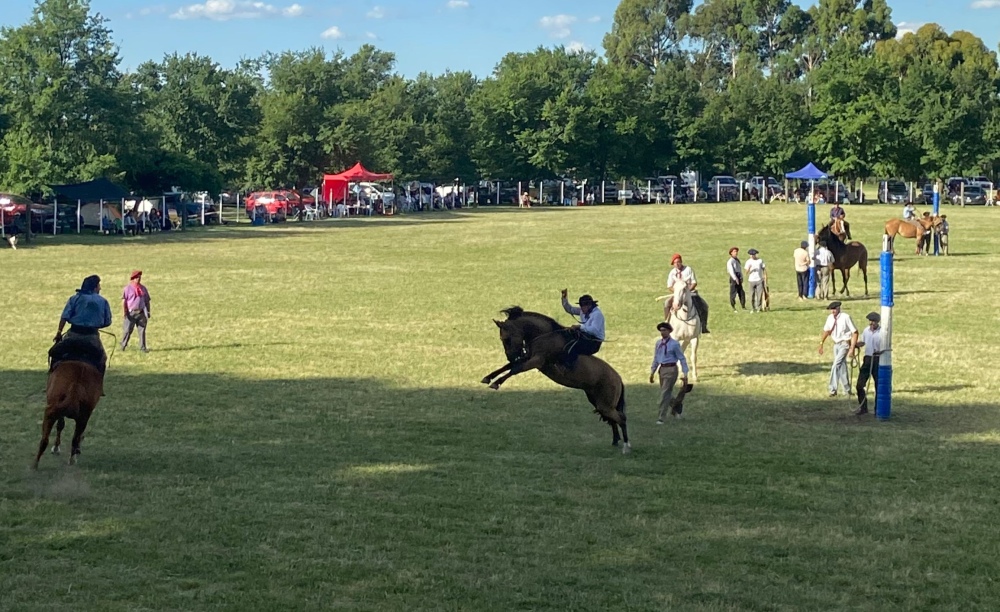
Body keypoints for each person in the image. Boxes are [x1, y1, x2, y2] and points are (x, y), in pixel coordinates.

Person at [51, 275, 113, 394]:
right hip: (91, 337)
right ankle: (99, 387)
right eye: (99, 286)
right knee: (102, 359)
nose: (100, 288)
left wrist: (59, 333)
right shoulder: (103, 301)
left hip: (73, 334)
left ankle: (51, 378)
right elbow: (107, 321)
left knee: (55, 353)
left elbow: (64, 317)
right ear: (94, 287)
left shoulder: (74, 299)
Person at [649, 321, 689, 424]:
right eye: (661, 331)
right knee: (667, 393)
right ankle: (676, 408)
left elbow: (682, 358)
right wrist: (652, 371)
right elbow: (656, 358)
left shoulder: (674, 344)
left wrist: (685, 373)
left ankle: (661, 417)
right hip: (661, 370)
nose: (662, 333)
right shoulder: (658, 343)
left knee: (664, 394)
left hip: (671, 370)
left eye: (664, 330)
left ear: (669, 331)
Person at [818, 301, 858, 398]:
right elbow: (827, 331)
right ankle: (847, 390)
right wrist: (821, 343)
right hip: (836, 345)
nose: (833, 311)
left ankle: (832, 389)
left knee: (835, 365)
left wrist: (852, 348)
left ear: (839, 308)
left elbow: (855, 332)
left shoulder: (846, 317)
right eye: (831, 309)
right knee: (842, 366)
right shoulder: (830, 318)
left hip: (844, 344)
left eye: (834, 309)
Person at [665, 253, 710, 333]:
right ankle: (667, 324)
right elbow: (669, 286)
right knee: (667, 303)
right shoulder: (672, 273)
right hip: (677, 295)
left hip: (691, 293)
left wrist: (687, 291)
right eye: (675, 263)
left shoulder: (688, 269)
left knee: (704, 305)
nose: (677, 264)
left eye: (678, 262)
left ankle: (703, 326)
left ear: (681, 261)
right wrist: (677, 292)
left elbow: (694, 282)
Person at [560, 290, 604, 366]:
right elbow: (570, 309)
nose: (581, 309)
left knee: (573, 347)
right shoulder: (583, 311)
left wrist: (580, 327)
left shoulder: (597, 314)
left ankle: (570, 365)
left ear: (589, 306)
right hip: (586, 336)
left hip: (594, 341)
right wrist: (564, 299)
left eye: (583, 306)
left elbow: (594, 330)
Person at [854, 312, 883, 415]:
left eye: (873, 321)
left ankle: (877, 409)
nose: (871, 323)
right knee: (859, 385)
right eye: (870, 321)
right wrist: (856, 345)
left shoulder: (882, 332)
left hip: (877, 359)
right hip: (867, 359)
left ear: (877, 322)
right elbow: (864, 342)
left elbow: (885, 347)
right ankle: (863, 407)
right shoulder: (866, 331)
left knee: (878, 386)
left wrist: (880, 351)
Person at [121, 270, 151, 353]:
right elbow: (124, 301)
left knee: (142, 331)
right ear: (133, 279)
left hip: (141, 312)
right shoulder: (127, 289)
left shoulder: (143, 288)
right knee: (127, 330)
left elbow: (147, 300)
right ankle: (123, 345)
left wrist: (148, 312)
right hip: (131, 313)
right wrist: (124, 312)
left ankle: (143, 347)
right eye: (137, 277)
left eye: (139, 277)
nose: (138, 279)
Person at [744, 249, 767, 313]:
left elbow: (764, 269)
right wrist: (749, 268)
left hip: (759, 280)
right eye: (750, 255)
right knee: (751, 295)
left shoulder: (760, 261)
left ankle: (759, 308)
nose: (752, 256)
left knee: (759, 295)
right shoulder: (748, 262)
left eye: (753, 255)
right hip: (751, 281)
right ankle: (752, 308)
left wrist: (765, 277)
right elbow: (746, 272)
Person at [726, 247, 746, 312]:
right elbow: (731, 271)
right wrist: (735, 278)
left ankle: (743, 305)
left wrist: (741, 277)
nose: (736, 253)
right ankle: (733, 307)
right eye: (734, 251)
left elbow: (739, 269)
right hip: (734, 277)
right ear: (731, 253)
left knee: (742, 293)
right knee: (733, 293)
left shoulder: (737, 260)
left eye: (736, 251)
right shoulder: (730, 261)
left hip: (738, 276)